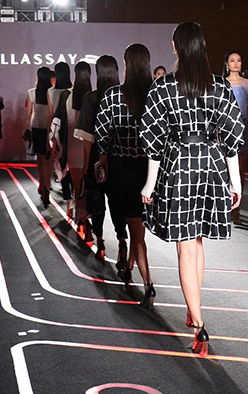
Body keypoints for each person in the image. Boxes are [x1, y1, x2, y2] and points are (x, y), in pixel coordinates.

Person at [140, 21, 245, 356]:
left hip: (178, 165)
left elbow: (153, 140)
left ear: (175, 47)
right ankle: (193, 307)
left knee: (186, 246)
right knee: (196, 243)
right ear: (202, 45)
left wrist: (149, 183)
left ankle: (199, 324)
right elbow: (232, 137)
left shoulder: (162, 87)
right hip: (211, 164)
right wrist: (235, 181)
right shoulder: (220, 86)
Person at [95, 44, 153, 306]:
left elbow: (102, 133)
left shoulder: (113, 95)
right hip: (151, 168)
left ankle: (149, 285)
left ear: (127, 64)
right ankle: (129, 268)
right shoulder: (156, 94)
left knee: (135, 228)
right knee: (137, 227)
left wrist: (103, 157)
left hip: (123, 168)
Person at [74, 56, 129, 264]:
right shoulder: (122, 96)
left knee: (96, 200)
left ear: (97, 73)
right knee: (117, 202)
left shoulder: (91, 98)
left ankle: (100, 242)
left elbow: (88, 137)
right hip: (119, 157)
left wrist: (86, 164)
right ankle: (122, 240)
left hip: (97, 155)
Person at [223, 51, 248, 224]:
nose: (236, 63)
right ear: (226, 64)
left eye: (238, 60)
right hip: (227, 128)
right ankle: (225, 208)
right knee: (226, 171)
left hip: (245, 128)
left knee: (240, 171)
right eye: (232, 60)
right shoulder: (222, 84)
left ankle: (236, 210)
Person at [23, 67, 54, 207]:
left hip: (37, 128)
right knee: (49, 159)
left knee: (41, 160)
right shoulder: (52, 93)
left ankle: (43, 186)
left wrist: (25, 129)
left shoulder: (31, 93)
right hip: (50, 129)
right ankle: (46, 184)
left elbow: (28, 114)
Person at [47, 62, 74, 214]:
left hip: (58, 131)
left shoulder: (51, 92)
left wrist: (49, 137)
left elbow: (51, 115)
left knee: (61, 165)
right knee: (74, 167)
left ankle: (69, 201)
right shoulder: (72, 90)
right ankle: (75, 199)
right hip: (72, 130)